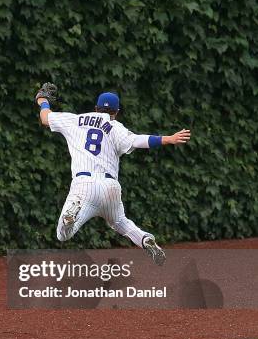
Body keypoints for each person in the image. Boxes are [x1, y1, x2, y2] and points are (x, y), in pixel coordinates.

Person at [35, 84, 191, 265]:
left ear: (96, 108)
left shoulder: (75, 120)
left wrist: (42, 101)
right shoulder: (116, 128)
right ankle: (145, 239)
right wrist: (168, 139)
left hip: (84, 186)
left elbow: (45, 119)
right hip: (110, 187)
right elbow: (138, 140)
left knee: (63, 235)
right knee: (120, 222)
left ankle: (71, 214)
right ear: (116, 112)